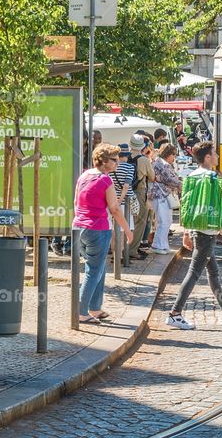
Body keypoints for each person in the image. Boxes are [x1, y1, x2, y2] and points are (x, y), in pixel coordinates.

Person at [166, 141, 222, 330]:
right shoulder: (213, 178)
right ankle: (175, 313)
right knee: (194, 273)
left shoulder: (192, 176)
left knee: (213, 272)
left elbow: (186, 205)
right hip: (208, 232)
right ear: (208, 157)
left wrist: (186, 231)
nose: (218, 156)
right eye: (215, 153)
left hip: (196, 229)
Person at [74, 143, 133, 325]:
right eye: (114, 160)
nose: (117, 163)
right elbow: (114, 209)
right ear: (104, 161)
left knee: (97, 268)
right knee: (93, 271)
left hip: (79, 228)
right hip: (98, 228)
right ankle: (82, 312)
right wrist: (128, 231)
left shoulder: (84, 175)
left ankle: (95, 307)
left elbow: (76, 201)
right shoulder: (105, 180)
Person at [149, 143, 181, 254]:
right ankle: (158, 245)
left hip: (159, 194)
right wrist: (180, 184)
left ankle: (163, 244)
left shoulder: (157, 161)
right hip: (161, 195)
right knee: (164, 220)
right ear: (168, 154)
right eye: (173, 154)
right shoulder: (164, 164)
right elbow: (171, 179)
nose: (174, 157)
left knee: (164, 220)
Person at [128, 135, 155, 260]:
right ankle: (132, 249)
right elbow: (152, 176)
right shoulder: (144, 160)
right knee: (140, 221)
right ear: (143, 146)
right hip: (139, 192)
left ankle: (125, 247)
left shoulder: (124, 157)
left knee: (127, 222)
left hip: (125, 192)